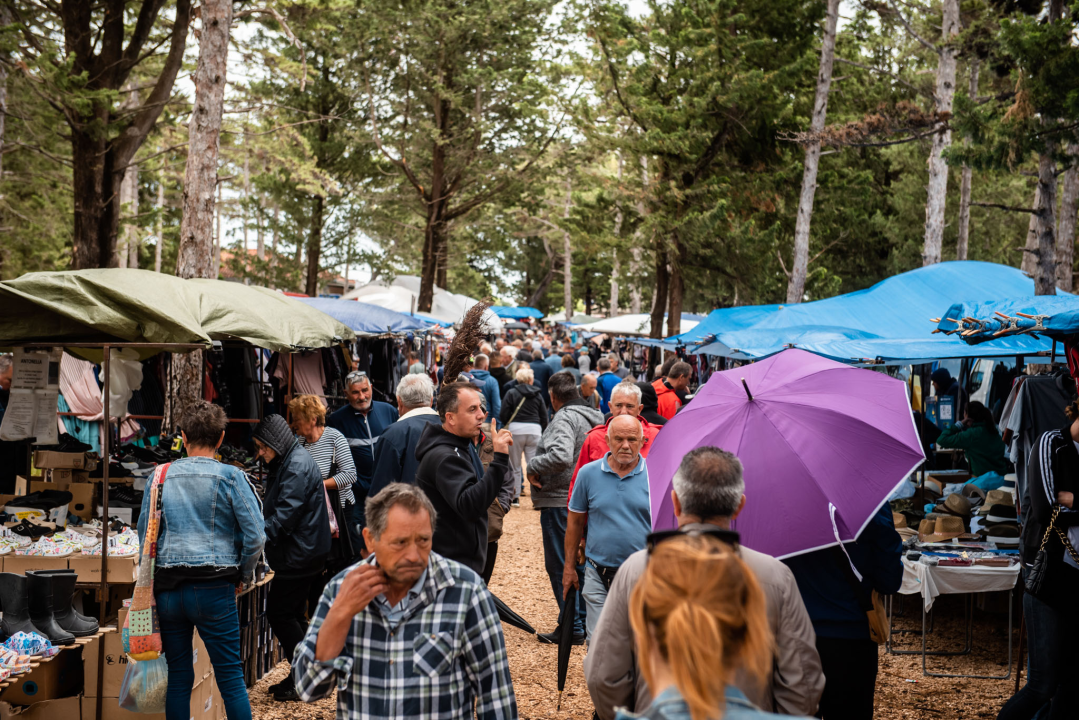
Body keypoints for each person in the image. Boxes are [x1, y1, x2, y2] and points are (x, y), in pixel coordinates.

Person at [586, 447, 824, 719]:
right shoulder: (775, 575)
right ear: (739, 507)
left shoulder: (636, 569)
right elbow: (802, 682)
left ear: (675, 503)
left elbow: (603, 674)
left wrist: (633, 713)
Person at [293, 483, 517, 719]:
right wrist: (340, 614)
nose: (413, 555)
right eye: (400, 543)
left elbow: (496, 697)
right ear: (370, 541)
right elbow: (308, 689)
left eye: (423, 540)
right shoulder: (342, 590)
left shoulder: (465, 592)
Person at [138, 401, 265, 720]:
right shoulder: (231, 477)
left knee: (179, 678)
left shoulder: (160, 476)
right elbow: (256, 535)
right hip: (214, 589)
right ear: (221, 438)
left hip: (168, 590)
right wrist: (244, 573)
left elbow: (145, 534)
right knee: (231, 679)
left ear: (182, 435)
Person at [614, 534, 803, 720]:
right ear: (749, 636)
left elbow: (603, 679)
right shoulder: (776, 574)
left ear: (642, 637)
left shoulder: (632, 568)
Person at [997, 401, 1079, 720]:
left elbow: (1063, 507)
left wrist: (1074, 499)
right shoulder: (1051, 444)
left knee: (1070, 687)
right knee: (1042, 685)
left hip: (1072, 579)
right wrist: (1063, 505)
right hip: (1048, 577)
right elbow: (1047, 510)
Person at [783, 507, 903, 720]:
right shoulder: (867, 502)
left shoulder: (777, 506)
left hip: (792, 637)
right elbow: (889, 580)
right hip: (850, 636)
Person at [252, 413, 331, 703]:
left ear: (275, 442)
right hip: (304, 550)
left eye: (262, 447)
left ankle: (307, 677)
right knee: (294, 614)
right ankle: (305, 674)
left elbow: (285, 516)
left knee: (280, 613)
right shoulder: (289, 459)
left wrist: (256, 539)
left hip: (300, 553)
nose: (260, 454)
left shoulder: (295, 465)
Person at [527, 371, 604, 644]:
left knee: (562, 565)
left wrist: (533, 466)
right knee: (579, 565)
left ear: (553, 396)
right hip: (585, 499)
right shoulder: (595, 415)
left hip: (560, 498)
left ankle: (572, 626)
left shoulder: (563, 417)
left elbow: (559, 455)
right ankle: (577, 623)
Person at [564, 415, 651, 641]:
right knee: (598, 644)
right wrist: (569, 567)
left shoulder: (655, 476)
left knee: (637, 644)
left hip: (641, 575)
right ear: (607, 439)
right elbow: (574, 522)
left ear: (643, 441)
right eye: (618, 438)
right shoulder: (588, 474)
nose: (625, 445)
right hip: (597, 571)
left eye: (632, 439)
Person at [414, 382, 513, 575]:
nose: (481, 414)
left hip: (462, 561)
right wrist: (500, 459)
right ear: (450, 418)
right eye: (472, 409)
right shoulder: (446, 457)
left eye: (481, 408)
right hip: (451, 567)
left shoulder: (461, 446)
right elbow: (470, 505)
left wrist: (501, 506)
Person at [290, 395, 361, 563]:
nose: (294, 424)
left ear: (313, 419)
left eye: (297, 419)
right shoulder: (299, 443)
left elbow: (350, 474)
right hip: (313, 510)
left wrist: (319, 485)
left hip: (339, 510)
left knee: (337, 559)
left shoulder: (335, 438)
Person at [327, 371, 398, 532]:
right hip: (356, 495)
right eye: (355, 392)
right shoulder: (336, 420)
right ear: (346, 394)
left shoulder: (389, 411)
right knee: (359, 536)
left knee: (387, 532)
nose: (362, 396)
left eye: (365, 390)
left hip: (387, 490)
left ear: (371, 388)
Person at [569, 381, 662, 499]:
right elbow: (578, 486)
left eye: (629, 406)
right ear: (610, 407)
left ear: (639, 409)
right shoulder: (595, 438)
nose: (623, 411)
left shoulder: (656, 437)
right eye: (618, 406)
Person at [368, 374, 440, 497]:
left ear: (399, 401)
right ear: (431, 400)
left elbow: (382, 491)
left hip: (409, 511)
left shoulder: (393, 434)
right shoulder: (451, 427)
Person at [500, 367, 548, 506]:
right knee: (534, 465)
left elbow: (503, 413)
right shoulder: (538, 395)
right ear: (530, 380)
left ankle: (515, 497)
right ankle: (537, 497)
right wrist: (542, 430)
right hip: (534, 430)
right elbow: (543, 416)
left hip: (516, 429)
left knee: (515, 465)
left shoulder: (511, 392)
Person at [935, 400, 1009, 477]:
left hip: (984, 480)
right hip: (1002, 478)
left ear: (967, 417)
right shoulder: (993, 431)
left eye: (964, 413)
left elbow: (942, 439)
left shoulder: (971, 435)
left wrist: (960, 424)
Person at [470, 354, 502, 430]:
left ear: (474, 365)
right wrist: (497, 425)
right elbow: (496, 405)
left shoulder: (466, 378)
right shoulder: (492, 381)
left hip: (469, 422)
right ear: (486, 367)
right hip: (486, 422)